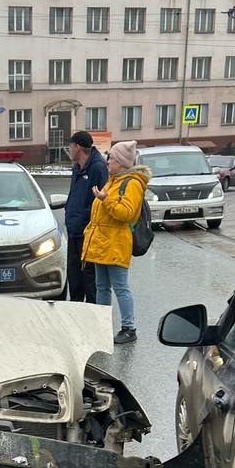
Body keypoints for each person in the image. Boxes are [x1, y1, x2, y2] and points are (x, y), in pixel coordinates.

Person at [81, 139, 150, 346]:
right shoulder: (113, 180)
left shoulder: (132, 183)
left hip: (117, 242)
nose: (108, 161)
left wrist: (106, 199)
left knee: (120, 286)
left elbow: (126, 213)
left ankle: (129, 328)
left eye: (111, 158)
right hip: (102, 243)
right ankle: (102, 326)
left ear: (120, 162)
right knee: (102, 286)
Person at [64, 129, 108, 302]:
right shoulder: (77, 167)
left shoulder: (98, 167)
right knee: (74, 277)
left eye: (70, 146)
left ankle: (92, 311)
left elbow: (101, 200)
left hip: (88, 233)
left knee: (89, 277)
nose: (69, 150)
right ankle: (76, 309)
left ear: (78, 147)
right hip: (74, 231)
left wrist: (84, 217)